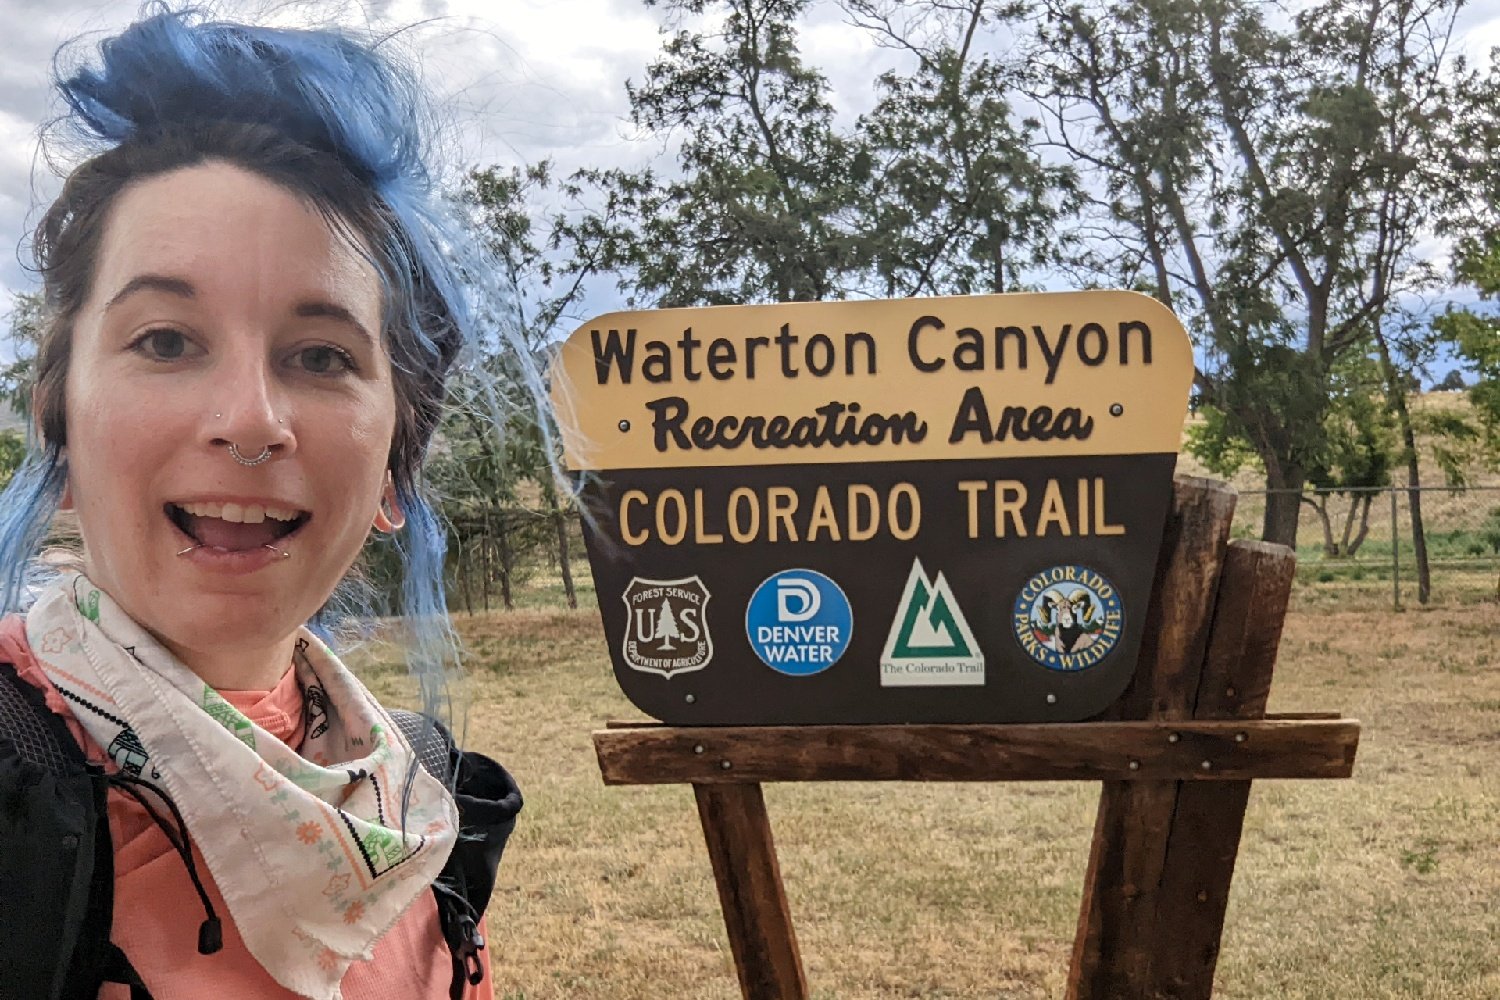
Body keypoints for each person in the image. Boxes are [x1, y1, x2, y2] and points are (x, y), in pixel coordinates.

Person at [0, 6, 538, 999]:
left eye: (321, 356)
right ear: (60, 427)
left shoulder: (419, 800)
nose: (250, 422)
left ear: (393, 469)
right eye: (165, 339)